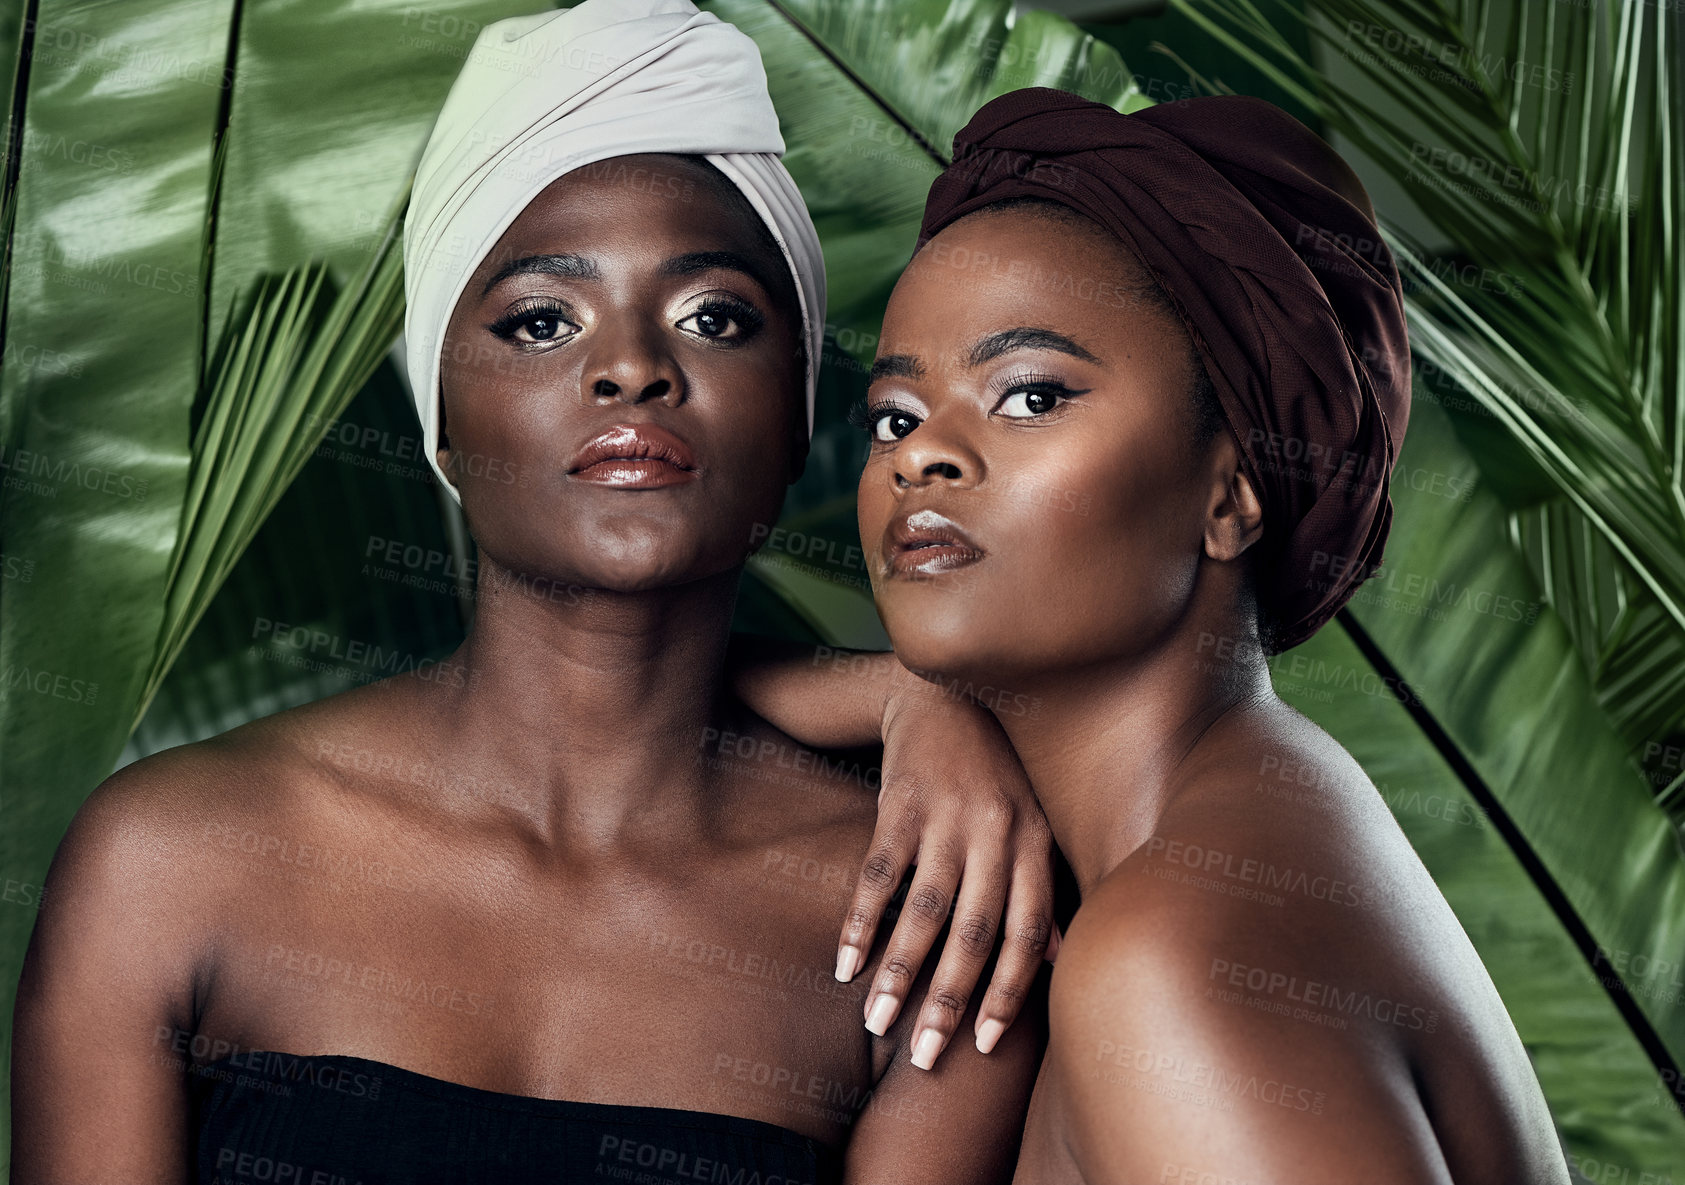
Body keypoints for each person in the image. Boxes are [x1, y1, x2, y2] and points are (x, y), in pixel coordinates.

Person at [9, 7, 1053, 1182]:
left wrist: (928, 700)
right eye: (540, 321)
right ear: (443, 428)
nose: (632, 366)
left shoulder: (925, 914)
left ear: (796, 412)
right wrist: (902, 694)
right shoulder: (173, 858)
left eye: (713, 317)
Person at [753, 88, 1571, 1182]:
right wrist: (899, 695)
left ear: (1230, 495)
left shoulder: (1173, 956)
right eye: (896, 416)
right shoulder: (1257, 827)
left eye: (1030, 396)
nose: (920, 458)